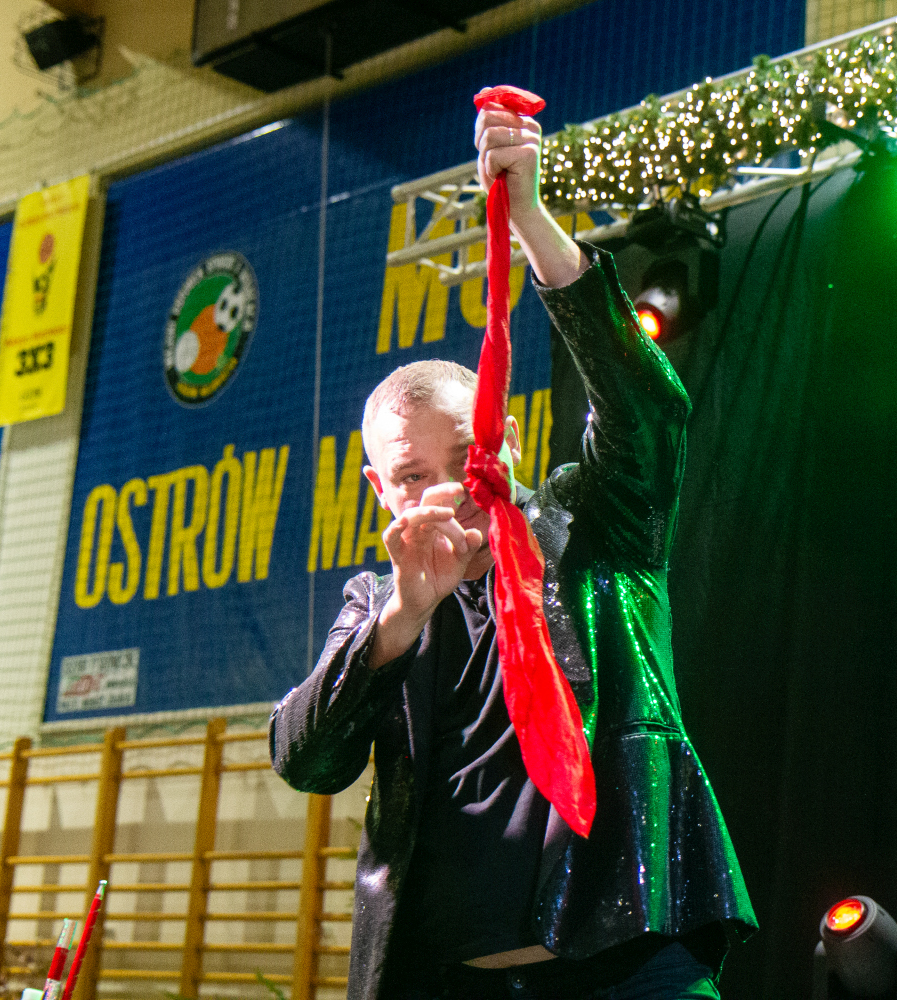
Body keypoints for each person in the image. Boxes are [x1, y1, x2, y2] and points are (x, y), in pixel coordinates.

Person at [271, 89, 756, 1000]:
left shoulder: (595, 524)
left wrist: (528, 216)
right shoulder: (377, 609)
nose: (448, 486)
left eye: (468, 453)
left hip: (632, 965)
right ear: (379, 489)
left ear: (512, 439)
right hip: (458, 979)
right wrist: (403, 616)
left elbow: (648, 408)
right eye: (412, 474)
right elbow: (306, 759)